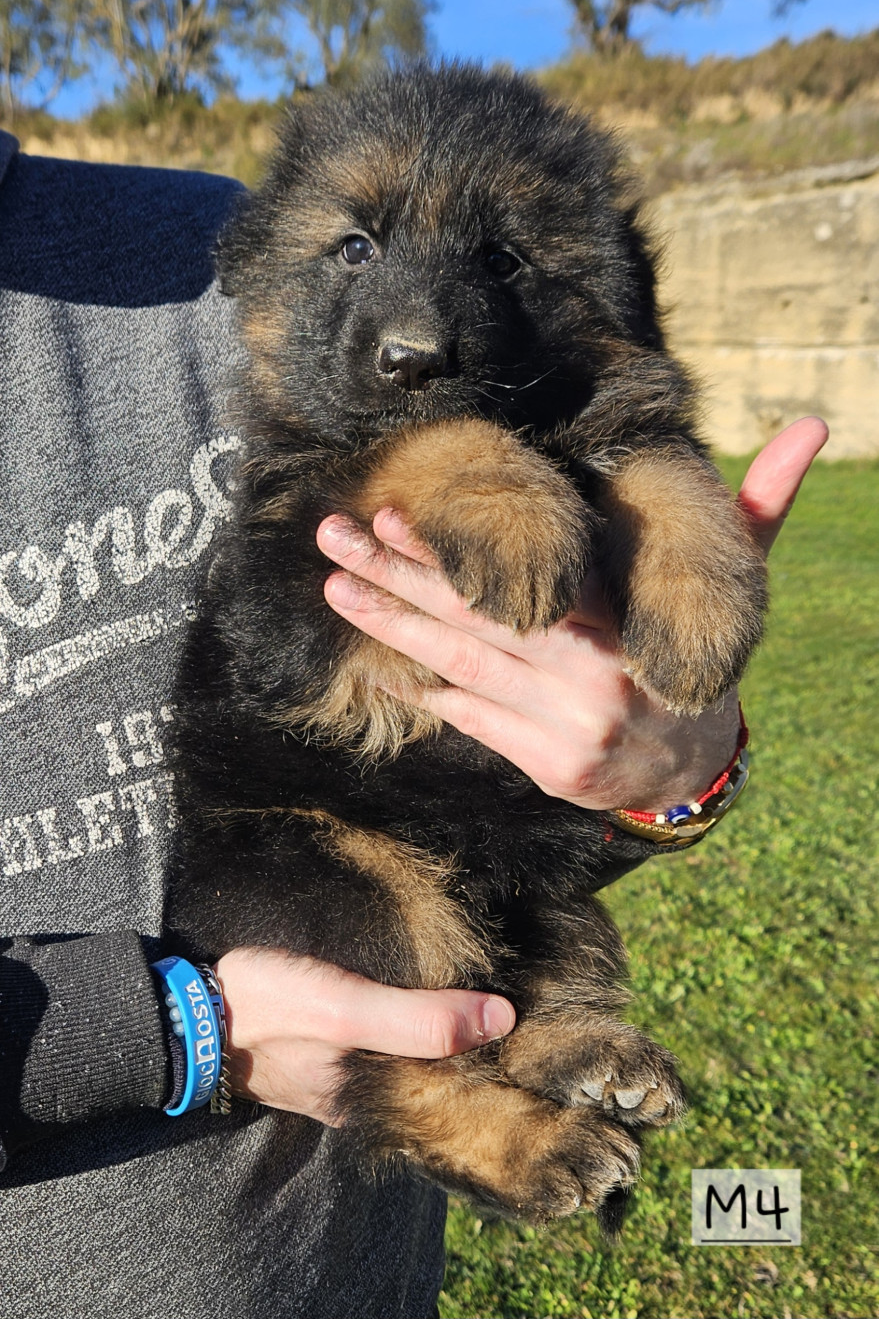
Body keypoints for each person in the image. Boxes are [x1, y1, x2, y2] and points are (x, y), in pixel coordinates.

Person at [0, 127, 828, 1318]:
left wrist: (677, 763)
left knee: (548, 931)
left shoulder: (214, 241)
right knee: (357, 872)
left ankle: (538, 1034)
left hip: (348, 1267)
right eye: (358, 249)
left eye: (497, 259)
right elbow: (303, 614)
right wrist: (180, 1028)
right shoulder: (307, 323)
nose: (417, 326)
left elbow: (621, 454)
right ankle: (454, 1104)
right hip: (294, 869)